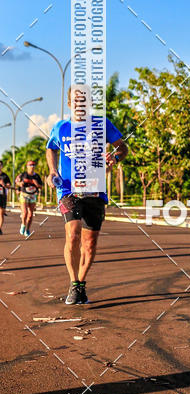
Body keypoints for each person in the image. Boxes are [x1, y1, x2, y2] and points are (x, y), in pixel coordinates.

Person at [45, 86, 128, 305]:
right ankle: (73, 283)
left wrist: (114, 158)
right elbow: (50, 148)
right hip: (68, 189)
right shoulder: (60, 128)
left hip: (95, 189)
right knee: (72, 234)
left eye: (84, 100)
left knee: (89, 243)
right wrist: (53, 170)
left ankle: (80, 284)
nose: (80, 104)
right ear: (70, 104)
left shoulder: (102, 125)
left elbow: (122, 148)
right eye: (76, 100)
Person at [15, 160, 43, 237]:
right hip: (24, 195)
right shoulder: (23, 174)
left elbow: (41, 186)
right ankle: (23, 225)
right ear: (27, 166)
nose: (32, 167)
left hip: (33, 195)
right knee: (25, 213)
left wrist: (36, 183)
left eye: (33, 165)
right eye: (30, 165)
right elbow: (17, 181)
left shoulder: (37, 176)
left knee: (30, 214)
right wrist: (20, 183)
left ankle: (27, 229)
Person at [0, 161, 12, 235]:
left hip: (2, 196)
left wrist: (4, 184)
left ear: (2, 166)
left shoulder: (5, 176)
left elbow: (9, 185)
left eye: (0, 165)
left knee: (1, 213)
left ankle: (0, 228)